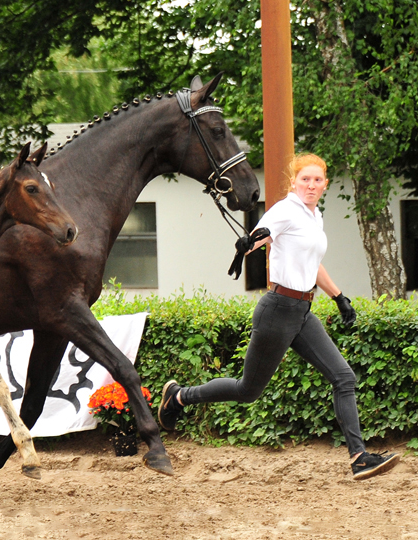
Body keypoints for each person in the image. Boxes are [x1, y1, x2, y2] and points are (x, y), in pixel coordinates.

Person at [158, 153, 400, 480]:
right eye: (305, 180)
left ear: (325, 184)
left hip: (302, 312)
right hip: (276, 311)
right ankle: (180, 396)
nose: (311, 185)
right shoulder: (286, 209)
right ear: (294, 182)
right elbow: (264, 233)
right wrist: (250, 242)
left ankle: (359, 458)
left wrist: (338, 296)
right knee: (247, 391)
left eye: (317, 180)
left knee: (344, 378)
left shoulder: (315, 217)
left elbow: (311, 264)